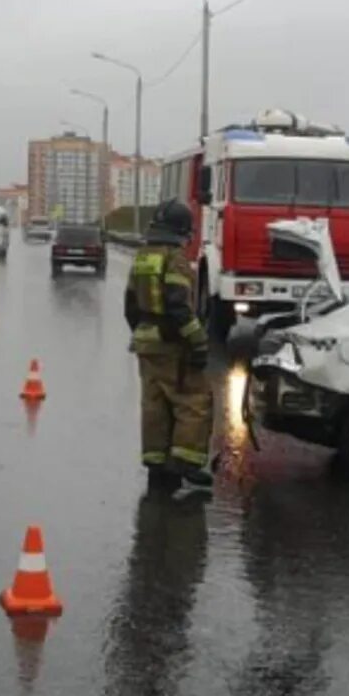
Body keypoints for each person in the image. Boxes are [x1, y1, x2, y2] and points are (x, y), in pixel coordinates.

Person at [124, 199, 214, 499]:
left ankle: (156, 465)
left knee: (155, 405)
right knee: (192, 401)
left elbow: (130, 306)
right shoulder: (174, 259)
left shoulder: (142, 257)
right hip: (172, 344)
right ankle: (185, 464)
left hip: (146, 344)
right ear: (182, 231)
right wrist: (198, 342)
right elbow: (179, 306)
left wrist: (142, 333)